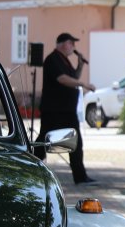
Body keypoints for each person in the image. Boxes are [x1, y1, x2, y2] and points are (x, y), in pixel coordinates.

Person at [40, 32, 95, 184]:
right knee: (43, 141)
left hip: (66, 110)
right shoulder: (53, 59)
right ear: (64, 44)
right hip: (54, 110)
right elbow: (63, 79)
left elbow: (73, 78)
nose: (73, 47)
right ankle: (31, 167)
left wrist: (80, 65)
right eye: (72, 43)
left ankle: (80, 176)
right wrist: (84, 84)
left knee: (75, 142)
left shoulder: (64, 61)